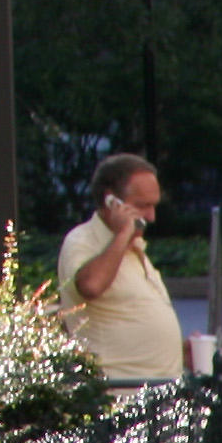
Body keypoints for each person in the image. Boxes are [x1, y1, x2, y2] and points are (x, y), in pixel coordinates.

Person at [58, 153, 185, 382]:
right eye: (142, 206)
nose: (151, 217)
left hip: (158, 389)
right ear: (111, 201)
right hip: (119, 391)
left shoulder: (133, 248)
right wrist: (123, 233)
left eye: (153, 206)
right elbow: (90, 285)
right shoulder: (82, 240)